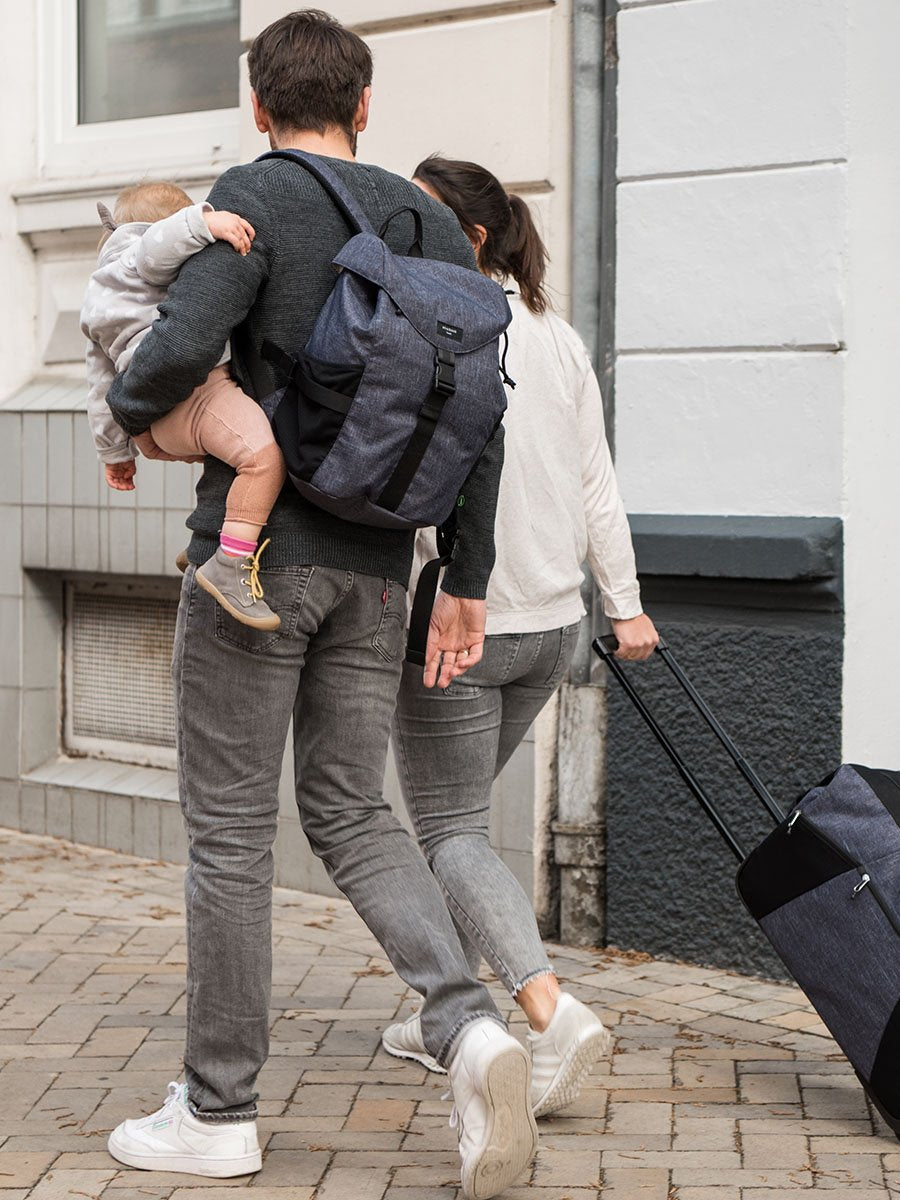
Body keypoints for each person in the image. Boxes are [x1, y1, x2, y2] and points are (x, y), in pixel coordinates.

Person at [101, 14, 537, 1200]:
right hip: (381, 568)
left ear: (259, 105)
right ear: (366, 101)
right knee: (356, 814)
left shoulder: (256, 192)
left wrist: (127, 408)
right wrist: (465, 580)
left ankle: (219, 1110)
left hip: (257, 563)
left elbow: (179, 342)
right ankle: (470, 1030)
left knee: (231, 838)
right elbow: (486, 410)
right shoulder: (434, 220)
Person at [382, 156, 660, 1118]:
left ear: (465, 235)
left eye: (415, 214)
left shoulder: (438, 327)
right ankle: (438, 1016)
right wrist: (624, 606)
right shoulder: (558, 335)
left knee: (450, 830)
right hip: (558, 628)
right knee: (455, 827)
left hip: (467, 622)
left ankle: (547, 1011)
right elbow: (597, 486)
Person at [81, 183, 286, 630]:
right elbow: (159, 246)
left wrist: (114, 453)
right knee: (264, 461)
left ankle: (210, 539)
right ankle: (228, 565)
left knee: (230, 460)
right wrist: (207, 222)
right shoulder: (141, 253)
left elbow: (99, 385)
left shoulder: (101, 289)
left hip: (153, 425)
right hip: (194, 394)